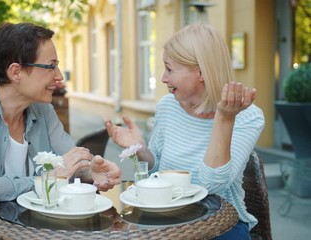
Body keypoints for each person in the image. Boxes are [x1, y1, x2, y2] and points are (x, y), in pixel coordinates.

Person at [0, 22, 121, 240]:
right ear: (16, 72)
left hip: (25, 233)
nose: (59, 76)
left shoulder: (43, 110)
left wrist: (91, 171)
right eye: (50, 66)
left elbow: (70, 164)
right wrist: (45, 179)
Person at [106, 23, 264, 240]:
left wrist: (224, 118)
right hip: (165, 218)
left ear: (200, 72)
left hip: (221, 223)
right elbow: (157, 174)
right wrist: (140, 149)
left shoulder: (247, 116)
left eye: (169, 69)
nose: (163, 78)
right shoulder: (167, 106)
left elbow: (213, 185)